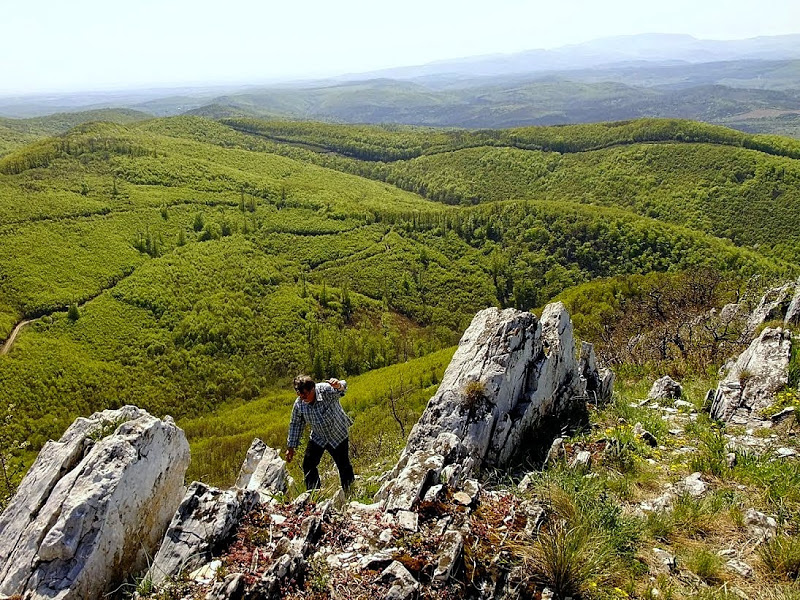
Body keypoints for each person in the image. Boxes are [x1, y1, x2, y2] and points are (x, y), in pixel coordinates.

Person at [286, 374, 355, 491]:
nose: (303, 398)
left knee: (343, 465)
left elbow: (342, 389)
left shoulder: (325, 390)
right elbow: (295, 424)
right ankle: (314, 494)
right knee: (308, 465)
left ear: (312, 388)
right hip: (318, 437)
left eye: (305, 394)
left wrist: (338, 385)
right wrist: (291, 447)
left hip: (337, 434)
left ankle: (349, 492)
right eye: (300, 394)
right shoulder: (299, 404)